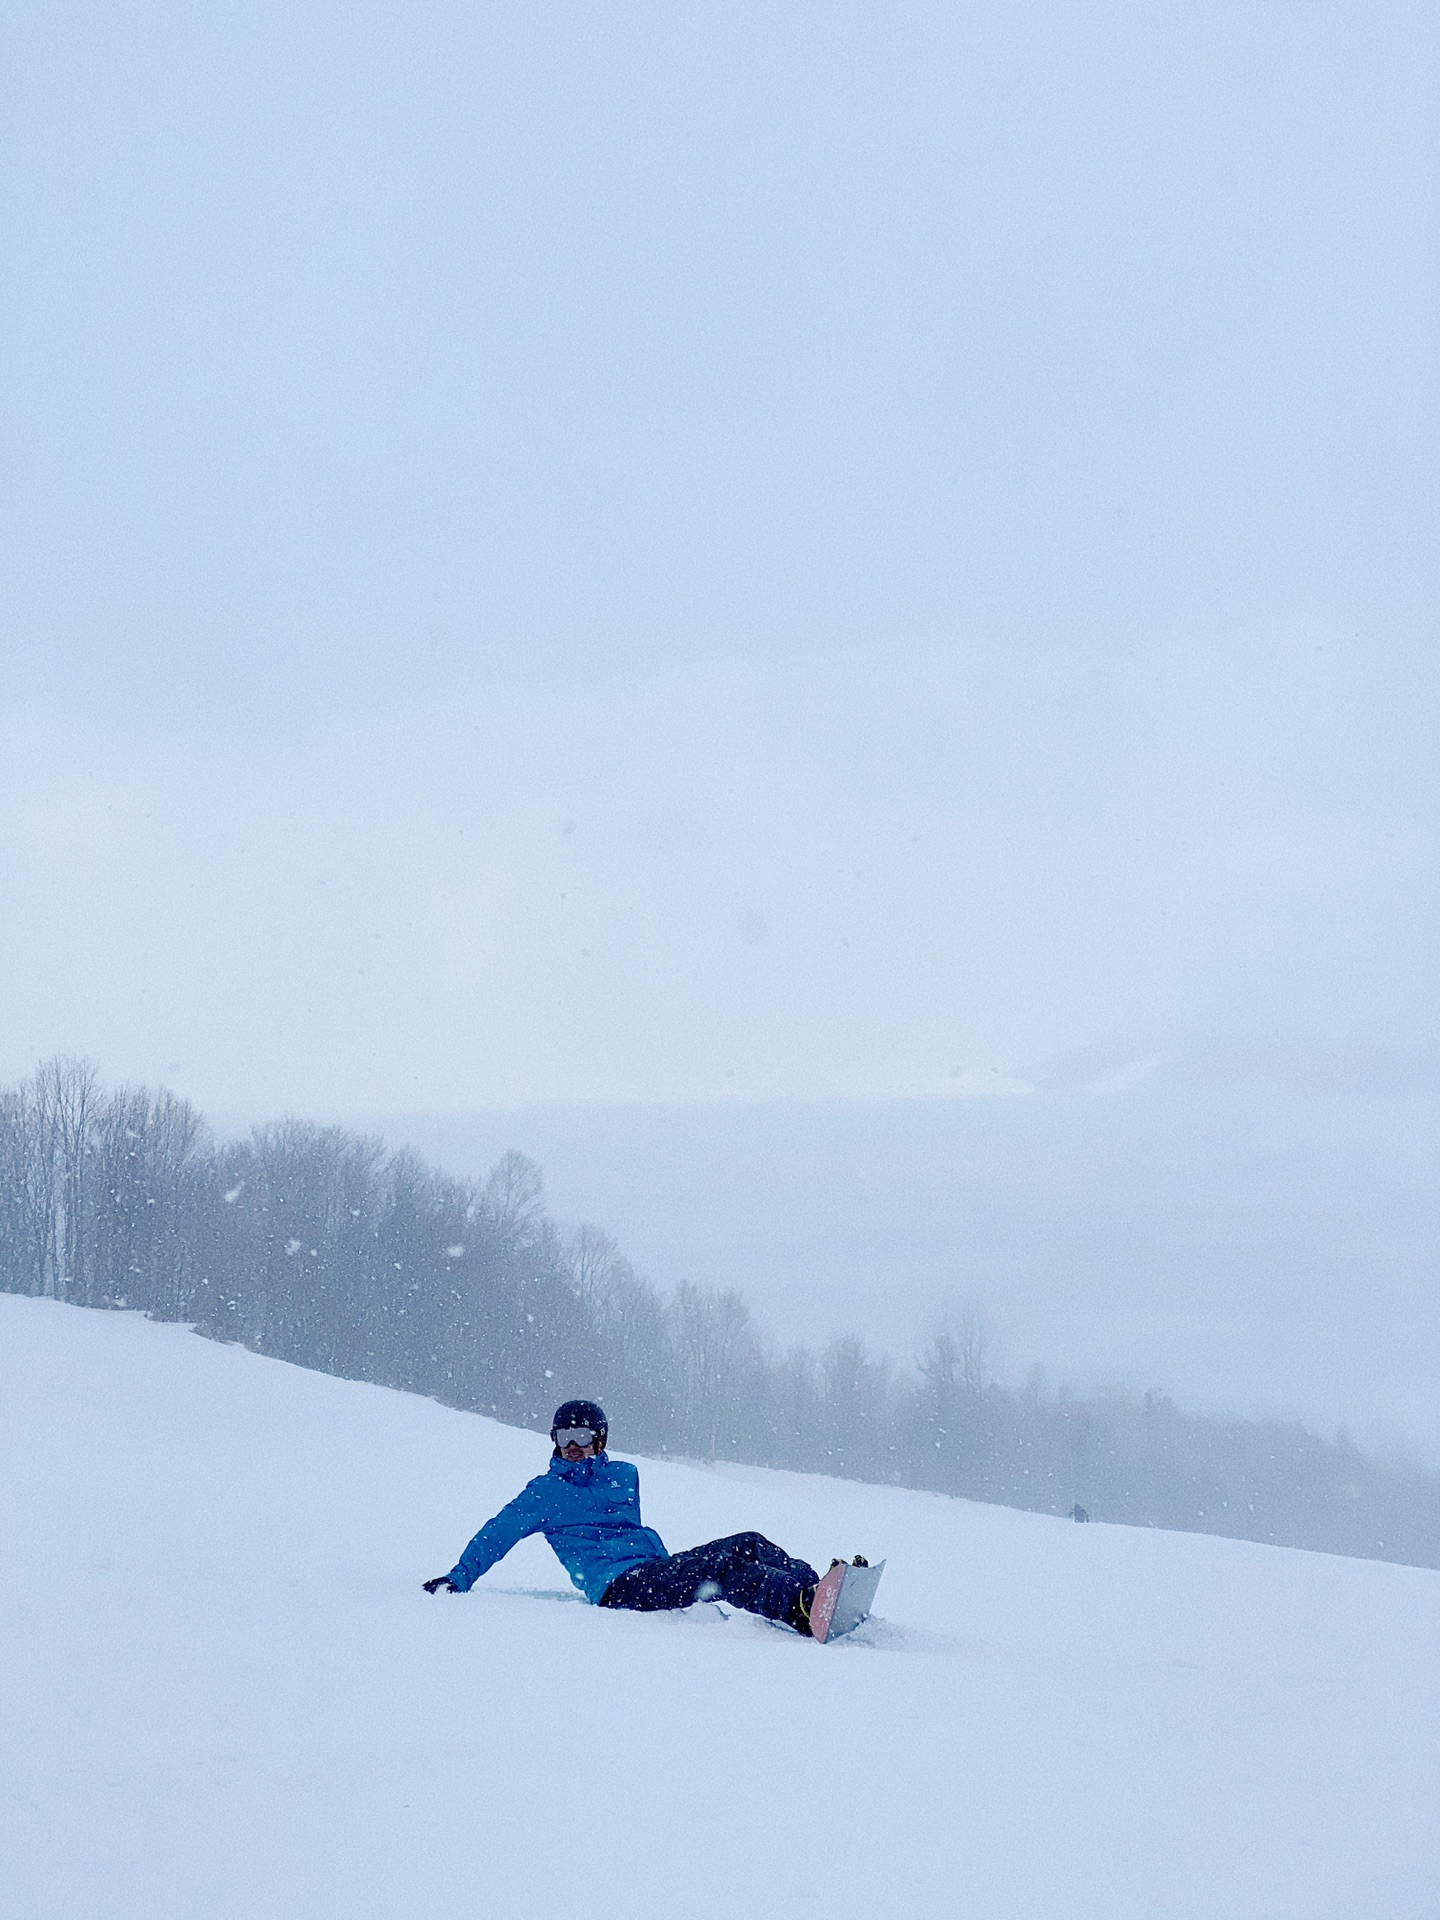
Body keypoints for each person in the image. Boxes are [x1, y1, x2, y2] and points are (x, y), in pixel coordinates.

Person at [423, 1398, 825, 1635]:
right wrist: (459, 1577)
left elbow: (628, 1532)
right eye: (565, 1438)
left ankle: (814, 1592)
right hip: (617, 1589)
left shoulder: (624, 1475)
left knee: (748, 1541)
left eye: (583, 1437)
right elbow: (498, 1533)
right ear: (554, 1442)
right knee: (721, 1568)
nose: (574, 1447)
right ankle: (798, 1609)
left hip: (652, 1570)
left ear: (600, 1440)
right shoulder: (544, 1494)